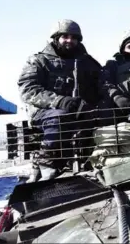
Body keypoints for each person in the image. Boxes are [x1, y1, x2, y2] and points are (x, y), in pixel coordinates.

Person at [18, 19, 102, 182]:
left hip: (78, 111)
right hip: (44, 112)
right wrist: (59, 101)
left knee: (105, 116)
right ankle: (46, 165)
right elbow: (27, 89)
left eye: (74, 37)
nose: (70, 40)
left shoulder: (86, 62)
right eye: (65, 36)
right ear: (56, 38)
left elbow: (100, 84)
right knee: (60, 117)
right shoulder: (39, 60)